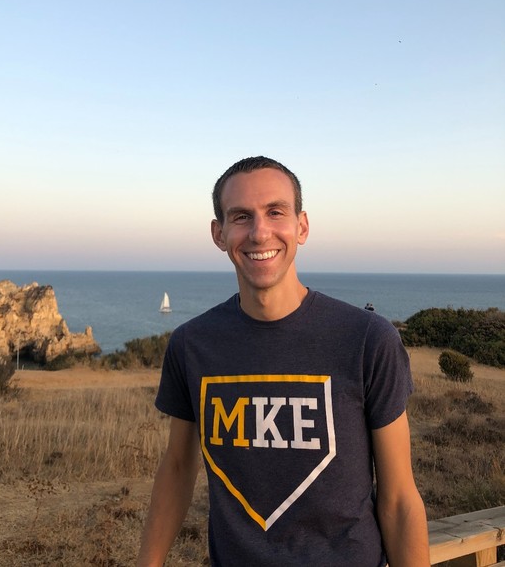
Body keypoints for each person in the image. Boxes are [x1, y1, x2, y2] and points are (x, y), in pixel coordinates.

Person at [137, 156, 429, 566]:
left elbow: (398, 498)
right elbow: (178, 467)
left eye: (276, 212)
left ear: (302, 226)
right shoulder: (191, 345)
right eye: (241, 216)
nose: (260, 232)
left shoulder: (367, 340)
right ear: (219, 234)